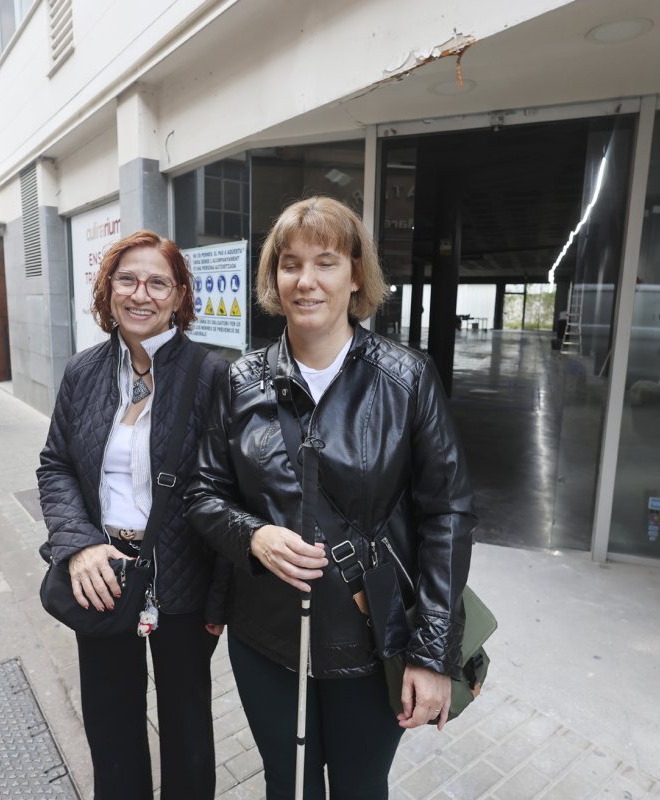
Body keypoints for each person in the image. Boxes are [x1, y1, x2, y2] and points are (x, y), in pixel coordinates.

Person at [186, 197, 477, 799]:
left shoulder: (406, 378)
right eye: (290, 264)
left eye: (325, 262)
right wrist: (254, 535)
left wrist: (432, 654)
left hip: (371, 642)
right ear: (273, 278)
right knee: (287, 786)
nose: (307, 281)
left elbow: (447, 512)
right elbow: (203, 491)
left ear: (355, 275)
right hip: (265, 638)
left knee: (360, 786)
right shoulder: (240, 381)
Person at [37, 230, 230, 800]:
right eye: (127, 279)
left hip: (184, 578)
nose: (140, 294)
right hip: (102, 576)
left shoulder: (211, 375)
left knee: (188, 724)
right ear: (108, 289)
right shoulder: (83, 372)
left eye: (157, 282)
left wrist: (221, 597)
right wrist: (78, 544)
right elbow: (55, 465)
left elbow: (232, 492)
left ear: (178, 296)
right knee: (110, 718)